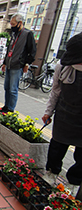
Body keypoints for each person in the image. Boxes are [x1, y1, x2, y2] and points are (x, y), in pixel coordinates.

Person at [41, 32, 82, 196]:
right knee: (56, 147)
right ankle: (51, 173)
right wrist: (48, 112)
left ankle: (73, 182)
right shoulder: (63, 67)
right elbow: (55, 93)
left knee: (81, 155)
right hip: (64, 113)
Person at [1, 13, 36, 112]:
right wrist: (4, 62)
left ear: (20, 23)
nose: (12, 26)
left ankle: (11, 109)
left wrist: (26, 64)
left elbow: (32, 51)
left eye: (13, 24)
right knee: (6, 87)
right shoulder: (13, 34)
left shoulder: (27, 34)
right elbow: (9, 50)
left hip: (17, 65)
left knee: (13, 89)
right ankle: (6, 106)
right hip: (9, 64)